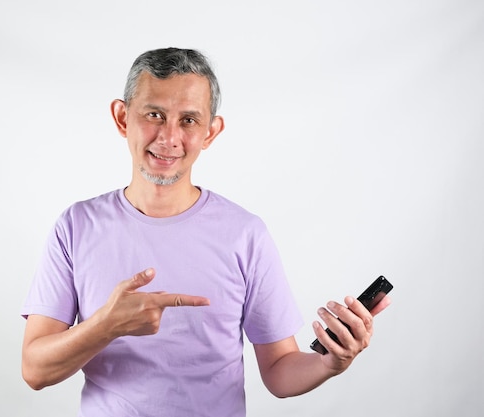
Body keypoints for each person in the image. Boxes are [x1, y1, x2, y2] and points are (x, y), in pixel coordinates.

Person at [20, 47, 391, 417]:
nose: (169, 137)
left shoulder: (245, 234)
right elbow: (34, 370)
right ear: (122, 118)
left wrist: (331, 362)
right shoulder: (76, 227)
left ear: (211, 131)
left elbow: (279, 372)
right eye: (154, 114)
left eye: (188, 121)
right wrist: (106, 326)